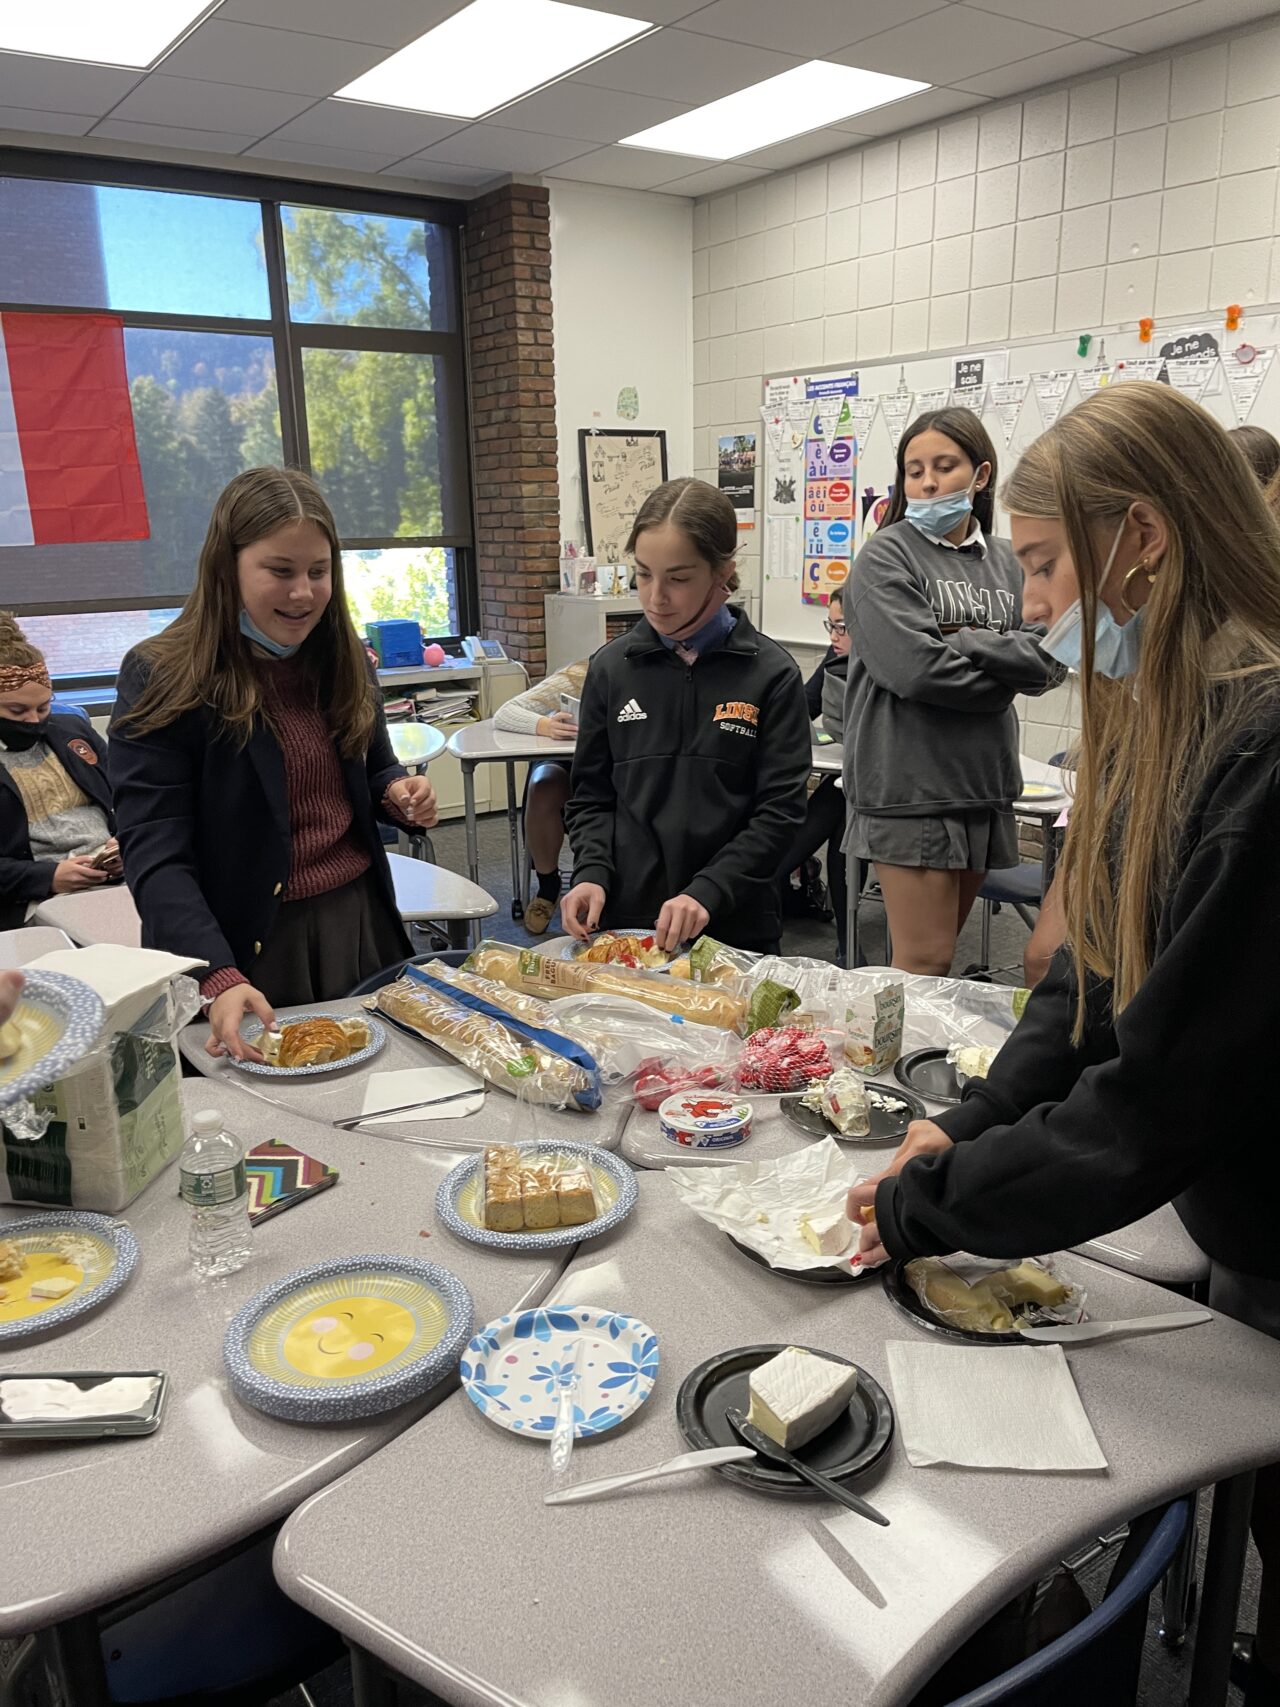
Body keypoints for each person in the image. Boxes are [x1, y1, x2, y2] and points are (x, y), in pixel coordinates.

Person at [850, 382, 1280, 1699]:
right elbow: (1082, 993)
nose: (1030, 602)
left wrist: (940, 1201)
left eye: (1040, 562)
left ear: (1140, 536)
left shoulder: (1262, 745)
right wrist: (965, 1128)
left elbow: (1158, 1097)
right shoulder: (1165, 713)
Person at [110, 467, 437, 1062]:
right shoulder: (162, 676)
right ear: (227, 566)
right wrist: (215, 971)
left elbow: (374, 770)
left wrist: (398, 793)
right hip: (242, 945)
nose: (303, 593)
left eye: (318, 572)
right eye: (279, 571)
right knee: (276, 1135)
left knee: (379, 1096)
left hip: (357, 924)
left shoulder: (344, 660)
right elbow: (154, 851)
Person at [842, 407, 1062, 976]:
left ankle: (918, 1059)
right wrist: (1003, 672)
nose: (929, 483)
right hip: (910, 786)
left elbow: (1055, 652)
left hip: (982, 784)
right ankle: (894, 1065)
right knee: (925, 959)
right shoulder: (885, 556)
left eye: (944, 466)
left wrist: (962, 637)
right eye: (914, 471)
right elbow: (915, 670)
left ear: (981, 474)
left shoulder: (1012, 561)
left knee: (938, 963)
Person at [561, 477, 810, 954]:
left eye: (677, 578)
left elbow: (780, 814)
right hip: (628, 921)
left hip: (736, 922)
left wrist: (709, 890)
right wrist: (591, 872)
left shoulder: (772, 675)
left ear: (723, 572)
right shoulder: (612, 669)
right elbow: (591, 796)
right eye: (643, 574)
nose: (656, 597)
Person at [0, 613, 119, 930]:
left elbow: (128, 798)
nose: (33, 720)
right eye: (17, 711)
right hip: (37, 897)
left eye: (43, 707)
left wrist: (128, 843)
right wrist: (47, 876)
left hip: (117, 876)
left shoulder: (72, 730)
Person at [779, 587, 851, 961]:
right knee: (838, 815)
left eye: (841, 627)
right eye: (830, 625)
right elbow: (807, 701)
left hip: (894, 790)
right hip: (849, 779)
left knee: (840, 814)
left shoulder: (894, 662)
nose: (833, 636)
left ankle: (774, 872)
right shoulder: (838, 650)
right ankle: (848, 944)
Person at [492, 659, 589, 935]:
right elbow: (506, 713)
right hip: (567, 766)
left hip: (615, 769)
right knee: (543, 785)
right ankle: (548, 887)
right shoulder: (581, 674)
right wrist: (545, 725)